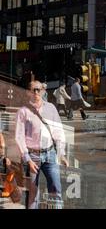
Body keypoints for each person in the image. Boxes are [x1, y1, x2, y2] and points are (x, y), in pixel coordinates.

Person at [15, 80, 69, 209]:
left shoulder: (51, 108)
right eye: (33, 90)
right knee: (33, 194)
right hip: (32, 156)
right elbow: (19, 136)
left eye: (39, 89)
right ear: (28, 92)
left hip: (50, 154)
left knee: (56, 189)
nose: (36, 92)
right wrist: (27, 159)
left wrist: (61, 154)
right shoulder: (23, 111)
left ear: (43, 91)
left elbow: (58, 131)